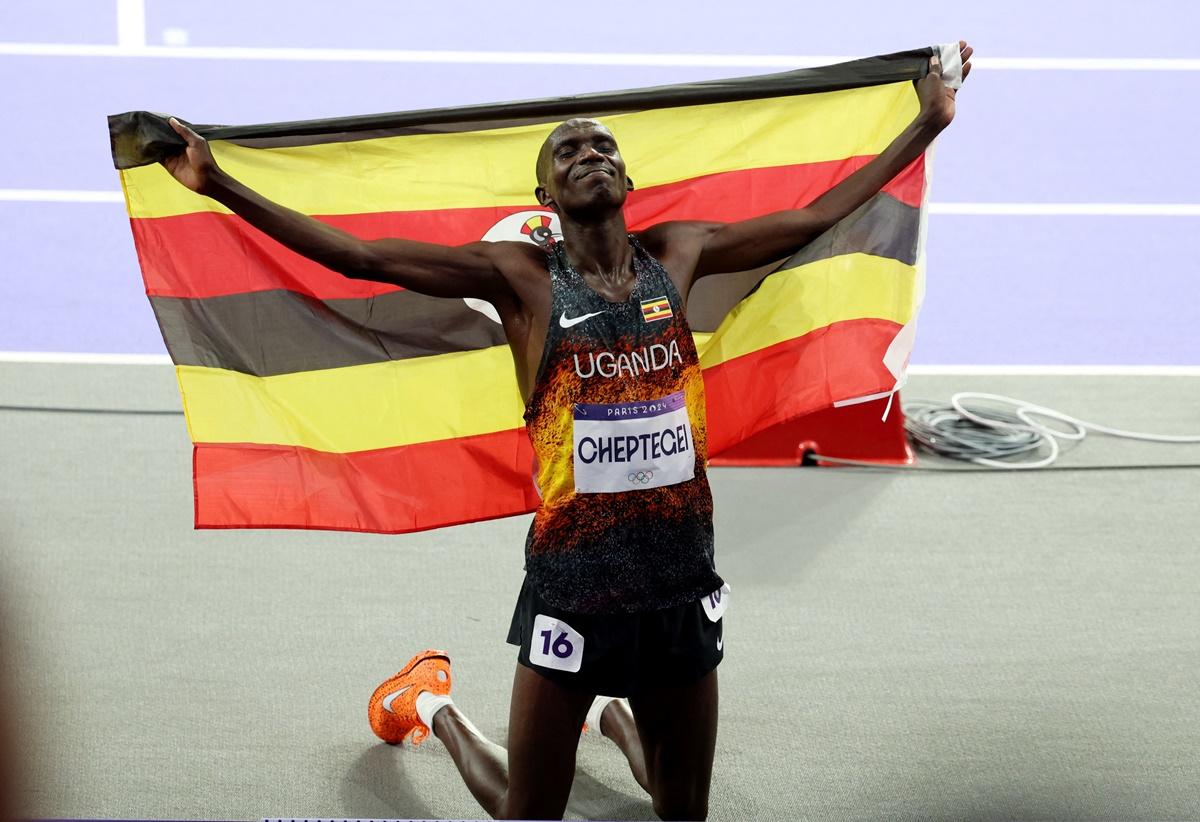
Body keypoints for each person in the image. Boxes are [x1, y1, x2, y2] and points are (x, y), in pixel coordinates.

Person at [161, 43, 972, 820]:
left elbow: (813, 217)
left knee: (681, 808)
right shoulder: (519, 280)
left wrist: (927, 123)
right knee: (528, 813)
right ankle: (433, 705)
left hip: (680, 579)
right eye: (567, 151)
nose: (588, 152)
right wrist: (220, 183)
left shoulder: (678, 254)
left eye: (602, 145)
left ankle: (616, 716)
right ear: (545, 199)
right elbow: (360, 256)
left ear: (628, 178)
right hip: (574, 589)